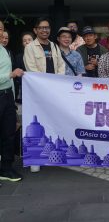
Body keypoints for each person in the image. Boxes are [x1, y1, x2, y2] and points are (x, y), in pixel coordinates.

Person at [24, 17, 65, 173]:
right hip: (38, 92)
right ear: (35, 30)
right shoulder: (30, 48)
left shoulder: (54, 46)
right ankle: (36, 160)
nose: (45, 30)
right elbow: (31, 68)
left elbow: (60, 65)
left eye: (47, 27)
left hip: (54, 91)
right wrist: (45, 84)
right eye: (41, 28)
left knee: (52, 121)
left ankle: (54, 153)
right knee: (37, 122)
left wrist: (56, 82)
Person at [0, 26, 24, 182]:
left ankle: (6, 168)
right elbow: (9, 75)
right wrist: (11, 74)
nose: (0, 32)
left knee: (8, 132)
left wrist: (13, 100)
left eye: (1, 29)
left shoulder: (3, 49)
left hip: (8, 96)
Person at [14, 32, 34, 103]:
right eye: (24, 41)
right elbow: (16, 74)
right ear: (22, 43)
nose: (27, 42)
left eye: (29, 40)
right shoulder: (19, 57)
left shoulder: (39, 55)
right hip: (23, 88)